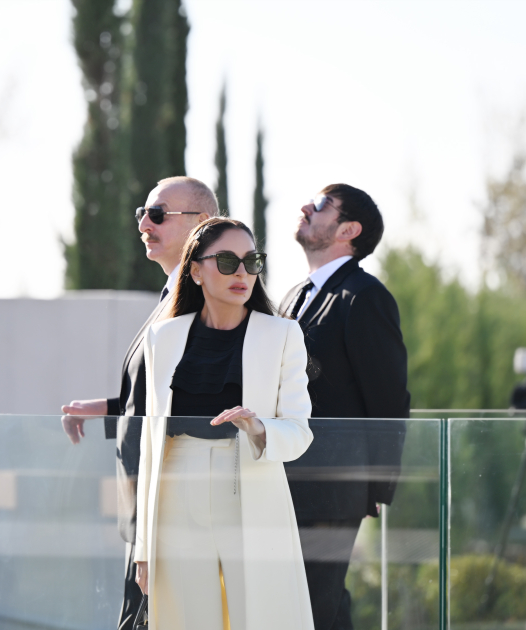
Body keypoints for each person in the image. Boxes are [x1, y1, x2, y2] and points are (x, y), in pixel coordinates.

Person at [135, 217, 315, 629]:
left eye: (251, 261)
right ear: (195, 270)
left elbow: (299, 430)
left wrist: (259, 428)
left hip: (251, 483)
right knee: (187, 616)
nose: (242, 272)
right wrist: (143, 546)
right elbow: (150, 441)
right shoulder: (162, 337)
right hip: (175, 488)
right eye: (227, 260)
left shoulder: (283, 334)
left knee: (260, 615)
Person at [61, 176, 215, 630]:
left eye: (159, 214)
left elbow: (199, 399)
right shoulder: (174, 295)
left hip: (171, 501)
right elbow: (162, 393)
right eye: (142, 214)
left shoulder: (204, 300)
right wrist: (109, 408)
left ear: (202, 224)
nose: (144, 223)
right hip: (144, 499)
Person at [279, 184, 410, 630]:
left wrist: (376, 487)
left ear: (348, 229)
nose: (305, 208)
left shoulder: (364, 296)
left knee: (314, 603)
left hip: (332, 488)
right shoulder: (294, 295)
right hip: (284, 481)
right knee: (309, 604)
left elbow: (389, 399)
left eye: (319, 205)